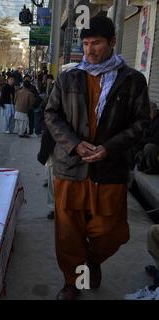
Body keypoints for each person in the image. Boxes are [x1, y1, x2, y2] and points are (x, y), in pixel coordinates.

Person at [44, 16, 150, 300]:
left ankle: (92, 261)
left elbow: (141, 123)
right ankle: (74, 281)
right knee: (68, 232)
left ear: (113, 43)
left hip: (109, 168)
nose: (89, 50)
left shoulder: (133, 81)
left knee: (111, 231)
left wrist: (110, 147)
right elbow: (51, 115)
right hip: (71, 167)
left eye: (97, 43)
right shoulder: (69, 77)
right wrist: (75, 144)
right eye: (86, 43)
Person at [135, 102, 159, 174]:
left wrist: (142, 141)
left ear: (154, 111)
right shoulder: (151, 119)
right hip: (149, 142)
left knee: (149, 147)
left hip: (155, 146)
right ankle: (135, 164)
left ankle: (154, 168)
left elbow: (157, 140)